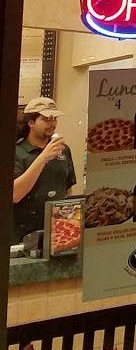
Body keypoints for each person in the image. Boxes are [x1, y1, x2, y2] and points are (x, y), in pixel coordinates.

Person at [12, 97, 79, 244]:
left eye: (54, 119)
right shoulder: (17, 152)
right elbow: (15, 194)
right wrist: (44, 157)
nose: (52, 123)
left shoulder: (63, 150)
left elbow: (67, 189)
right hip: (24, 235)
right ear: (31, 122)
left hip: (58, 232)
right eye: (46, 119)